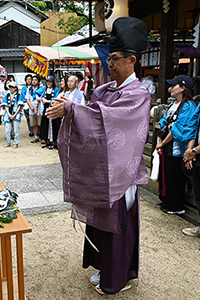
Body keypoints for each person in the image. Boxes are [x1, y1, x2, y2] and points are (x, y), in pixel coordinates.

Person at [46, 17, 150, 295]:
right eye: (109, 58)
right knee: (100, 224)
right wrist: (67, 109)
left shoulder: (138, 94)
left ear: (131, 60)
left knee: (118, 226)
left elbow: (112, 121)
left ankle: (119, 277)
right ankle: (104, 268)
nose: (110, 63)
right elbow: (89, 120)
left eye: (115, 58)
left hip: (122, 174)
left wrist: (72, 110)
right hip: (102, 171)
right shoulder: (104, 90)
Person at [156, 75, 196, 215]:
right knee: (166, 174)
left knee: (175, 176)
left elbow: (178, 130)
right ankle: (167, 200)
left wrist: (163, 143)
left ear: (183, 88)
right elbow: (163, 122)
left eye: (174, 85)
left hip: (178, 147)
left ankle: (176, 206)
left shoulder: (189, 106)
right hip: (167, 144)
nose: (171, 88)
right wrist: (160, 142)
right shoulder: (173, 104)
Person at [182, 92, 200, 236]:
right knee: (197, 193)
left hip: (197, 151)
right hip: (196, 154)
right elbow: (193, 127)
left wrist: (193, 151)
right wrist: (189, 151)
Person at [34, 76, 59, 148]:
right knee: (45, 124)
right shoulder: (44, 89)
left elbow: (56, 99)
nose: (48, 83)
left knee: (54, 125)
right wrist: (37, 97)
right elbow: (35, 93)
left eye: (50, 82)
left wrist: (47, 101)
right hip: (45, 109)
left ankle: (54, 141)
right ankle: (46, 139)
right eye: (47, 81)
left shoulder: (56, 89)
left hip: (53, 109)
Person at [1, 81, 24, 148]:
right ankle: (8, 142)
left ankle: (16, 143)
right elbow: (5, 105)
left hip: (16, 114)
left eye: (12, 87)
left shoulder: (19, 95)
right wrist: (8, 114)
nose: (11, 88)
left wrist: (14, 114)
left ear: (15, 88)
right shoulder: (7, 95)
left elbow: (20, 105)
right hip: (8, 114)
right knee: (7, 130)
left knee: (16, 130)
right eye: (10, 87)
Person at [26, 74, 41, 143]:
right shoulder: (29, 89)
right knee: (34, 123)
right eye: (33, 80)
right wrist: (31, 107)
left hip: (40, 109)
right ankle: (35, 137)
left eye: (35, 80)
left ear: (38, 81)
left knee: (40, 123)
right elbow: (27, 99)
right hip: (32, 109)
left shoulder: (41, 88)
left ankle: (42, 136)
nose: (34, 81)